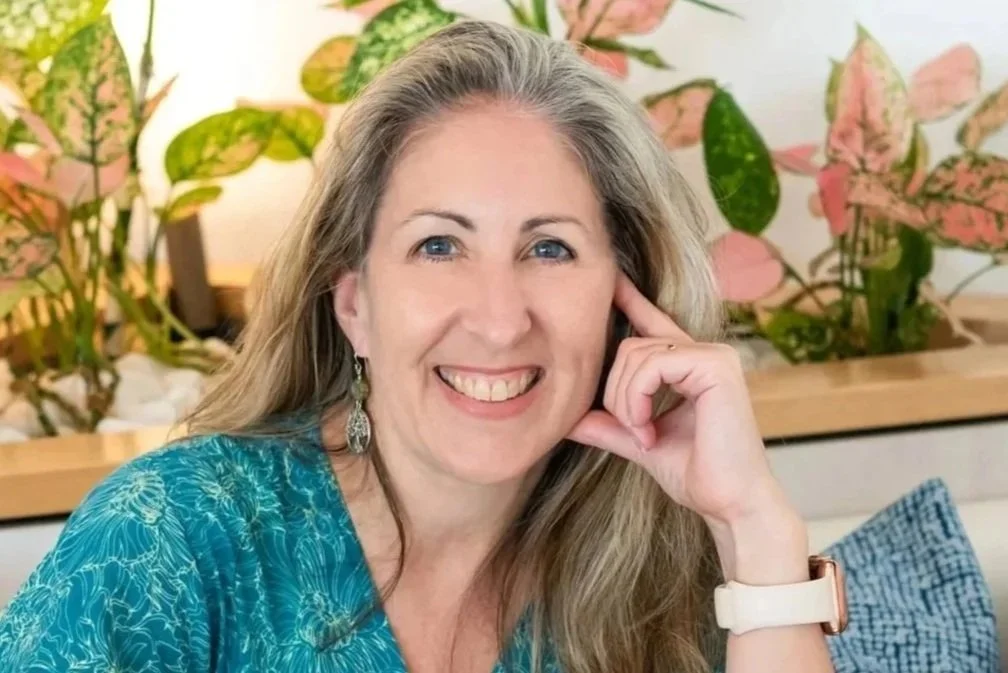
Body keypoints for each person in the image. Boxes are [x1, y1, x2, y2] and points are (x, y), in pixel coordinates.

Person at [0, 19, 837, 673]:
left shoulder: (656, 569)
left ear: (625, 302)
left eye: (549, 249)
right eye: (439, 246)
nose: (500, 319)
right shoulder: (171, 539)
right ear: (356, 304)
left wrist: (753, 526)